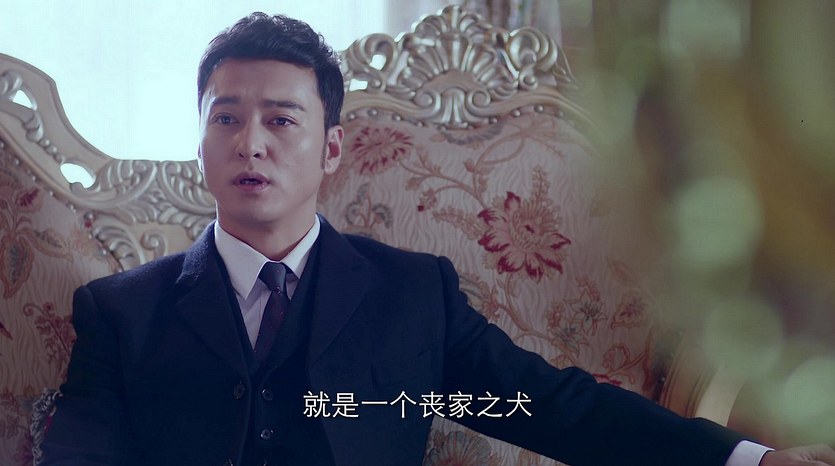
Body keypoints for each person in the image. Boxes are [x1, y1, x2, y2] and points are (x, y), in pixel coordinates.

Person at [42, 12, 835, 466]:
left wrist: (749, 459)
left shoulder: (411, 294)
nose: (251, 143)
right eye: (227, 118)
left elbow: (555, 406)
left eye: (281, 120)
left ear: (331, 149)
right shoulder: (121, 312)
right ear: (202, 143)